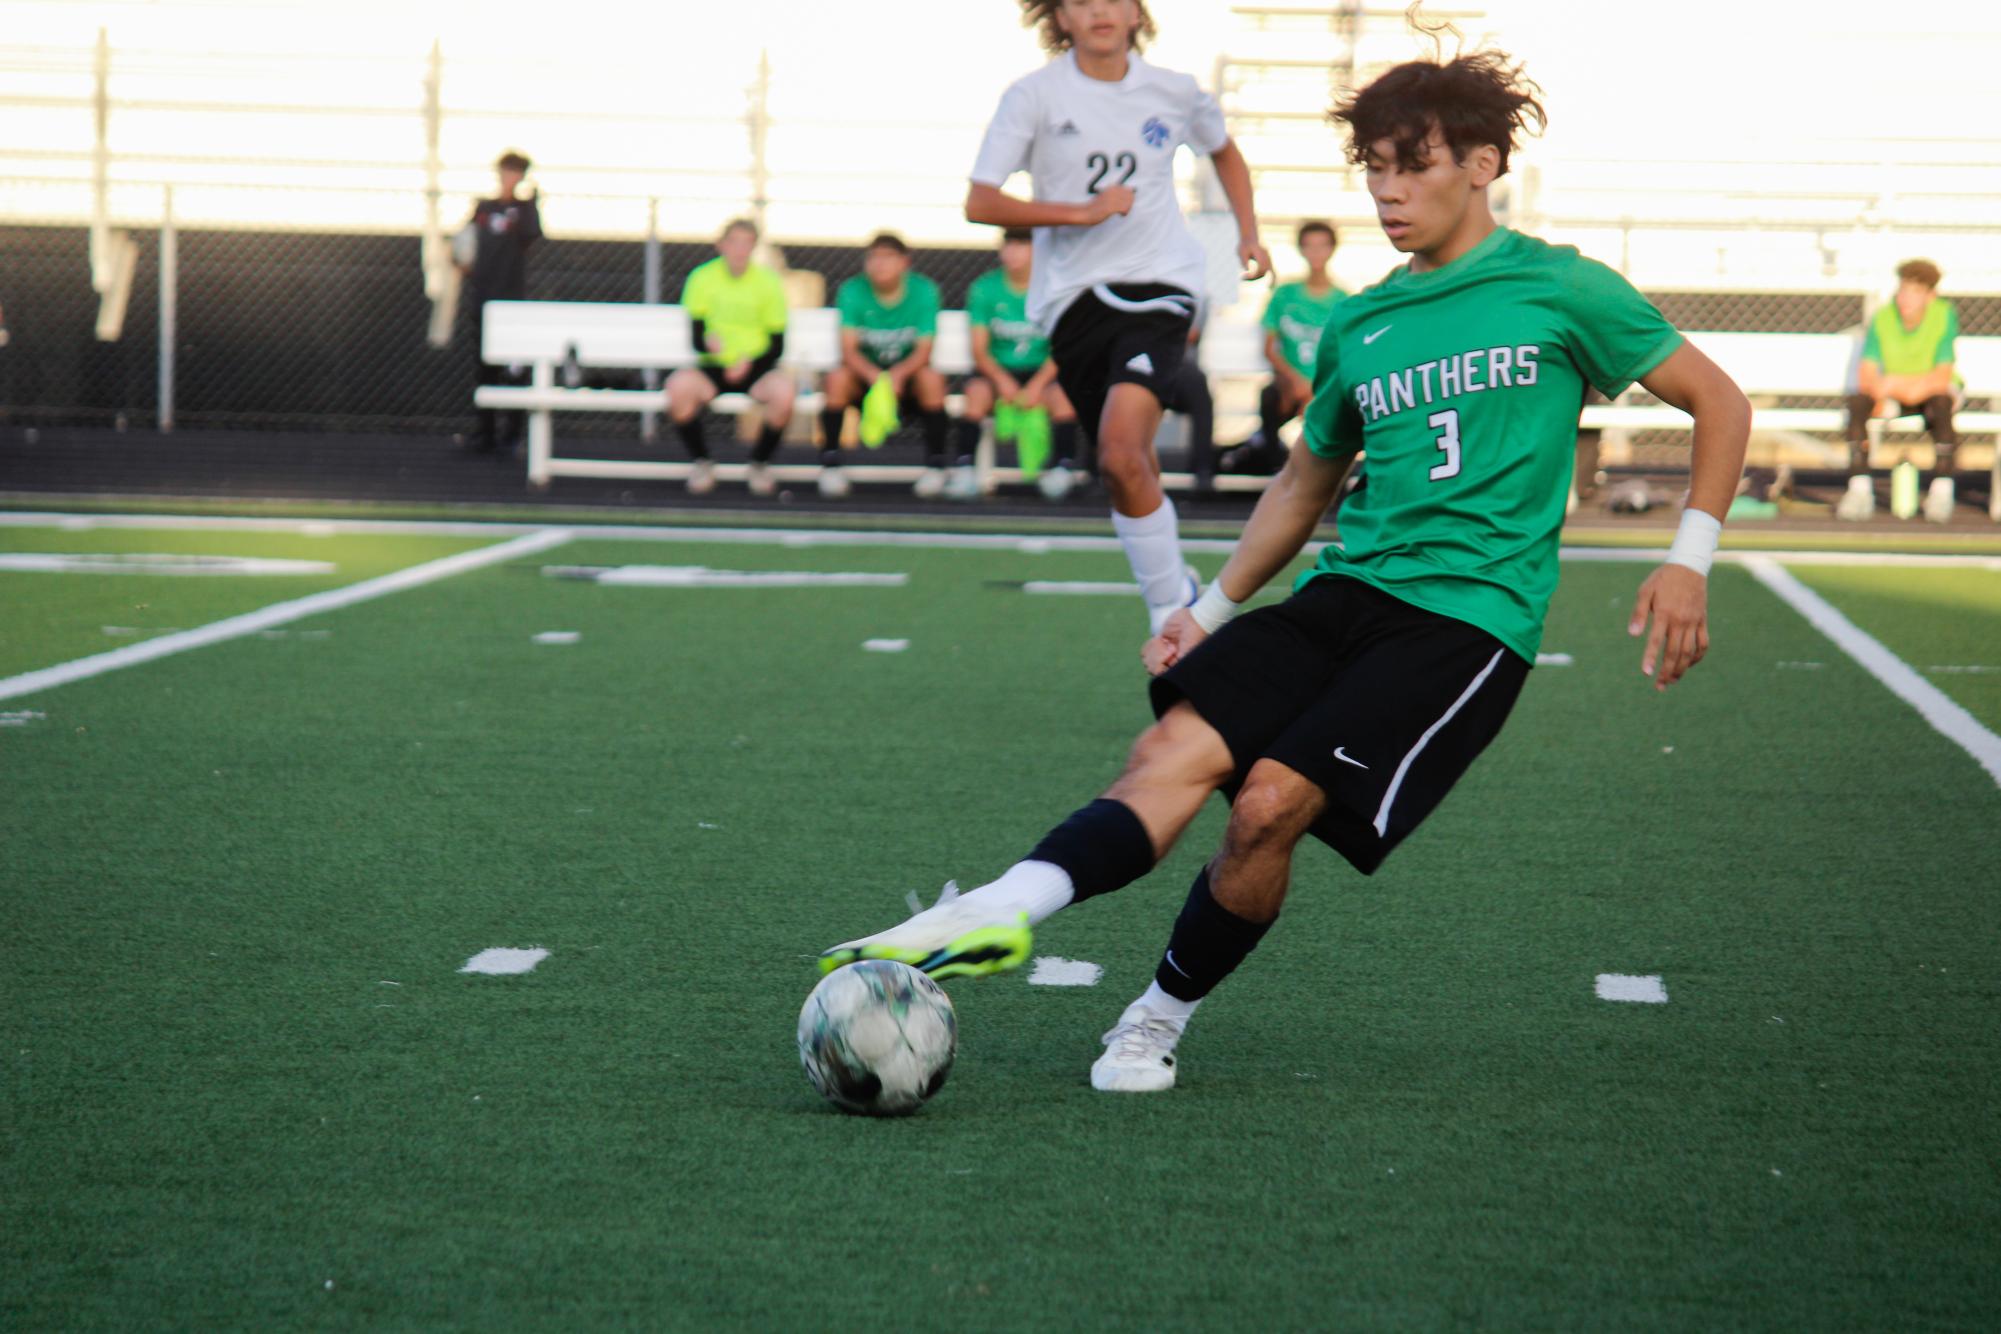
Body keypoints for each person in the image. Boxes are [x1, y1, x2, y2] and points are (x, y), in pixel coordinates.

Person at [820, 48, 1750, 1093]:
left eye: (1415, 165)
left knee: (1267, 805)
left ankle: (1155, 1013)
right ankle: (1002, 901)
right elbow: (1305, 484)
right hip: (1348, 592)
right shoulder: (1361, 320)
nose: (1389, 192)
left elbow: (1721, 400)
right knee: (1168, 747)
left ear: (1484, 162)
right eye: (1374, 170)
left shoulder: (1562, 286)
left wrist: (1688, 559)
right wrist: (1209, 610)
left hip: (1467, 621)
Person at [967, 0, 1272, 631]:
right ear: (1060, 18)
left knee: (1119, 452)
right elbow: (981, 201)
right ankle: (1175, 583)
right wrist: (1079, 212)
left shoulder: (1176, 91)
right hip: (1071, 302)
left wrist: (1248, 231)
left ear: (1138, 12)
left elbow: (1225, 152)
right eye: (1081, 1)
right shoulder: (1033, 96)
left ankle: (1171, 613)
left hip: (1160, 287)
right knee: (1126, 468)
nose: (1100, 10)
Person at [668, 219, 796, 498]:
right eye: (734, 242)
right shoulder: (702, 277)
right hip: (713, 367)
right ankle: (702, 462)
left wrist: (749, 362)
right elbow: (697, 337)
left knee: (785, 392)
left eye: (746, 243)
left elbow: (777, 345)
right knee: (678, 388)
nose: (739, 250)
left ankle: (760, 464)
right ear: (721, 245)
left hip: (756, 367)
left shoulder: (768, 281)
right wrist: (710, 346)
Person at [954, 227, 1082, 501]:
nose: (1012, 252)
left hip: (1041, 372)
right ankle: (964, 469)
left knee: (1063, 397)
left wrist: (1037, 385)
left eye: (1022, 245)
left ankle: (1063, 469)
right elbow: (979, 349)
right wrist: (1002, 381)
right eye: (1008, 244)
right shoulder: (985, 287)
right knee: (976, 393)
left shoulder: (1054, 288)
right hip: (998, 371)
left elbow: (1063, 349)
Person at [819, 234, 949, 499]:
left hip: (907, 380)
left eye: (888, 257)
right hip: (866, 378)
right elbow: (848, 349)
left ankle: (936, 467)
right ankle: (830, 466)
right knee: (836, 379)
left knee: (932, 379)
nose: (880, 264)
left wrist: (898, 375)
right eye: (874, 257)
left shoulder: (924, 290)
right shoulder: (852, 290)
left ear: (905, 262)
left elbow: (925, 350)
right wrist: (876, 377)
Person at [1837, 259, 1962, 523]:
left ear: (1930, 295)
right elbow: (1867, 373)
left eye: (1915, 293)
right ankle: (1859, 489)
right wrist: (1888, 388)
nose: (1905, 299)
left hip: (1928, 393)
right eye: (1903, 290)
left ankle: (1942, 490)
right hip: (1894, 394)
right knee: (1858, 403)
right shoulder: (1883, 317)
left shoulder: (1943, 315)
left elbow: (1941, 378)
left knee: (1941, 404)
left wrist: (1895, 384)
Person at [1221, 220, 1347, 476]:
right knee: (1270, 397)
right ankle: (1272, 464)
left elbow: (1343, 357)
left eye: (1322, 246)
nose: (1316, 253)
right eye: (1310, 246)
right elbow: (1270, 349)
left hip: (1324, 389)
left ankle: (1335, 475)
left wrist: (1316, 390)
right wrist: (1295, 383)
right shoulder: (1285, 295)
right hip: (1289, 388)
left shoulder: (1343, 300)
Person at [459, 151, 543, 454]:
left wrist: (531, 200)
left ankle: (513, 435)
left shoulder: (523, 210)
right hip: (484, 299)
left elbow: (532, 234)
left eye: (516, 172)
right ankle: (485, 433)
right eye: (506, 171)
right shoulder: (483, 208)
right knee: (485, 370)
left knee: (515, 370)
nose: (509, 178)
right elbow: (465, 244)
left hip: (512, 305)